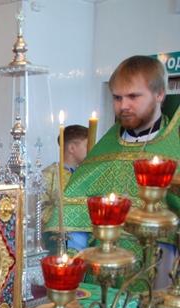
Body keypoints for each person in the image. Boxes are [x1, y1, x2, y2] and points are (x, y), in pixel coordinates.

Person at [44, 56, 180, 281]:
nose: (123, 106)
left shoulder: (174, 150)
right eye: (117, 97)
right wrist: (71, 257)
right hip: (101, 274)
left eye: (133, 96)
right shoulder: (103, 153)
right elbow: (75, 220)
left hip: (158, 271)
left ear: (160, 94)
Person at [41, 124, 88, 254]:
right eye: (87, 146)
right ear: (72, 148)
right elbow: (40, 210)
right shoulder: (48, 175)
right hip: (59, 239)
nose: (91, 150)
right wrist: (74, 213)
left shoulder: (85, 175)